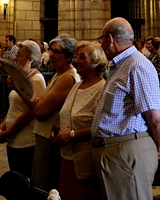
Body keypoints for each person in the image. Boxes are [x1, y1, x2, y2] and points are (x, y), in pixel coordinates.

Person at [92, 18, 160, 200]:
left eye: (101, 39)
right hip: (113, 153)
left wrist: (159, 147)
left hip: (124, 154)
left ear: (110, 39)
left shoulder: (137, 65)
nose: (100, 44)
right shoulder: (120, 65)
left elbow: (156, 117)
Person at [52, 42, 107, 200]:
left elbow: (102, 125)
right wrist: (56, 131)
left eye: (82, 57)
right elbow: (67, 115)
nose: (76, 60)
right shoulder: (77, 86)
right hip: (66, 158)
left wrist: (72, 134)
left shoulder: (102, 89)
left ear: (96, 62)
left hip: (86, 161)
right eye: (76, 56)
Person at [31, 34, 79, 191]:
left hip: (49, 138)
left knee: (45, 185)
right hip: (44, 135)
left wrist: (39, 103)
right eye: (51, 50)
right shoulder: (59, 74)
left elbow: (40, 111)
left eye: (56, 52)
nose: (51, 55)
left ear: (69, 56)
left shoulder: (67, 78)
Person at [0, 40, 45, 180]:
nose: (15, 58)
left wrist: (8, 132)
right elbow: (14, 107)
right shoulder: (22, 78)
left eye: (19, 55)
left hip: (25, 141)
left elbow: (30, 113)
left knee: (23, 181)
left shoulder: (36, 79)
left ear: (30, 59)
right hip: (13, 140)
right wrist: (2, 126)